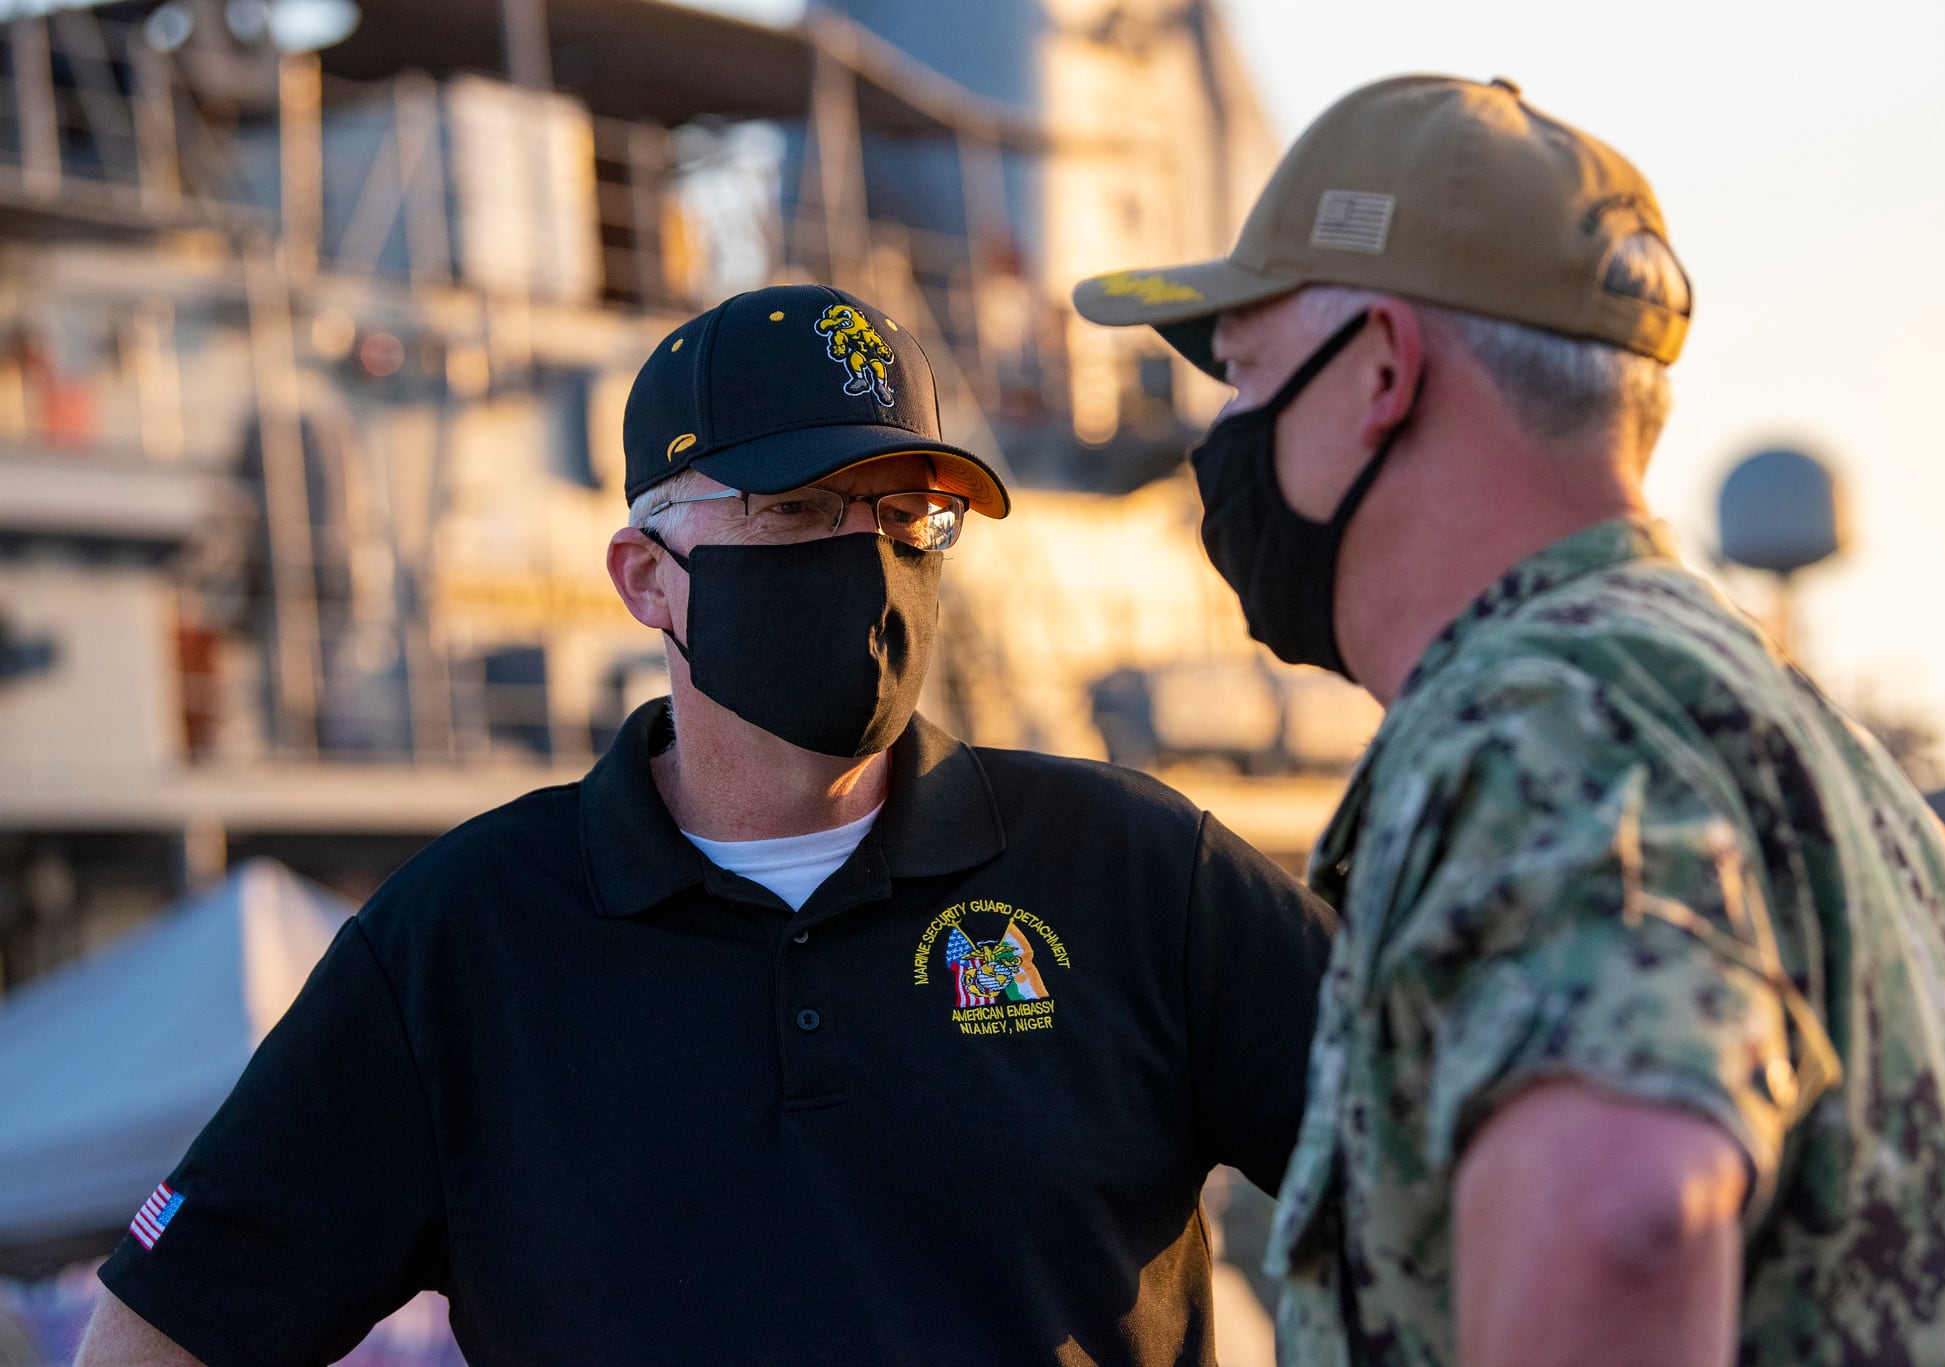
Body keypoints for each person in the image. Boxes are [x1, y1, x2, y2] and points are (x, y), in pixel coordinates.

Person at [77, 284, 1337, 1366]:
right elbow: (165, 1327)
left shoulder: (1130, 872)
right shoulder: (468, 939)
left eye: (906, 515)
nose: (870, 560)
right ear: (645, 577)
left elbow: (1463, 1174)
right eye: (795, 510)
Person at [1075, 74, 1945, 1367]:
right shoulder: (1757, 716)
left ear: (1378, 368)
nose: (1226, 431)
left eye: (1244, 374)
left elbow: (1623, 1211)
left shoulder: (1537, 721)